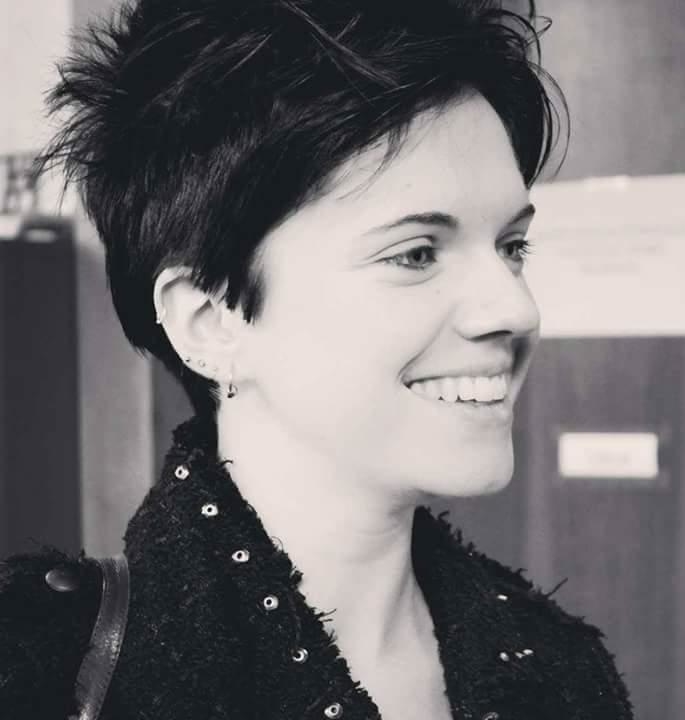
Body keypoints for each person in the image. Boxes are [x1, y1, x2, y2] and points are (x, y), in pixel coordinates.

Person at [0, 0, 635, 718]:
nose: (516, 310)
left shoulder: (559, 667)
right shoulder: (43, 675)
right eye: (416, 254)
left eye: (512, 246)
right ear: (210, 322)